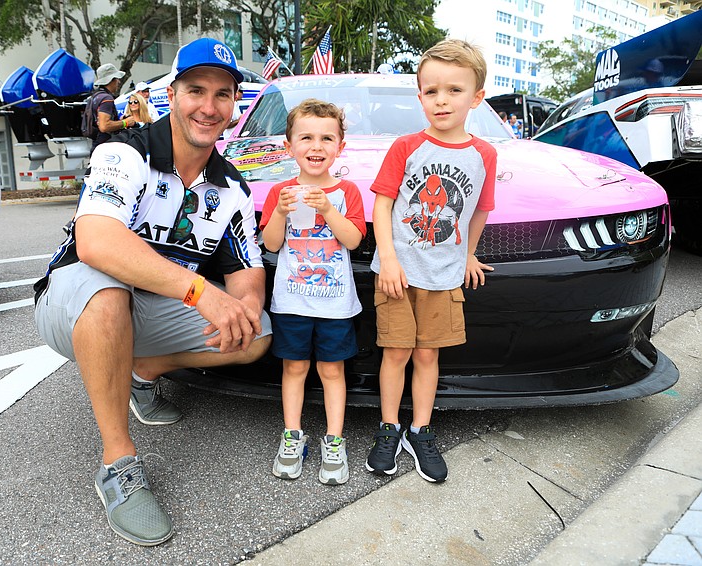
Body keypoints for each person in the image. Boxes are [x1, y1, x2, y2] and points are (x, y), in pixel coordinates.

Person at [34, 37, 272, 546]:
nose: (208, 107)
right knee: (107, 292)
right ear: (172, 91)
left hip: (153, 305)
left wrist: (244, 305)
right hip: (74, 301)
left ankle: (145, 370)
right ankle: (118, 463)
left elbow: (248, 272)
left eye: (223, 94)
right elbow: (96, 240)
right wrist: (200, 292)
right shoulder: (125, 150)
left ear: (235, 104)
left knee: (256, 333)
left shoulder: (232, 189)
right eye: (195, 90)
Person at [364, 39, 496, 483]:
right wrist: (389, 258)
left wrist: (469, 254)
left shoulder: (484, 155)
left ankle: (419, 431)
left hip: (442, 277)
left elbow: (479, 209)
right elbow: (382, 206)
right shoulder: (405, 147)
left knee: (426, 356)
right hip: (396, 274)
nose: (442, 100)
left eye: (455, 90)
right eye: (432, 91)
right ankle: (388, 428)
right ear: (419, 95)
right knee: (396, 352)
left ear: (476, 96)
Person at [259, 99, 365, 486]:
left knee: (332, 370)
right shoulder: (280, 192)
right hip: (291, 301)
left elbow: (352, 240)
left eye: (326, 138)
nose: (316, 146)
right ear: (289, 146)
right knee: (295, 368)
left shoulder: (347, 190)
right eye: (306, 137)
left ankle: (334, 441)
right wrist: (281, 213)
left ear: (340, 146)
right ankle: (292, 436)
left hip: (335, 303)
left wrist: (329, 210)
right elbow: (270, 244)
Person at [86, 63, 137, 152]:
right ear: (111, 80)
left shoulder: (95, 96)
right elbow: (104, 126)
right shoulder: (107, 99)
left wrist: (118, 121)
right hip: (105, 147)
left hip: (97, 145)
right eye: (117, 79)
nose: (119, 82)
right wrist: (126, 122)